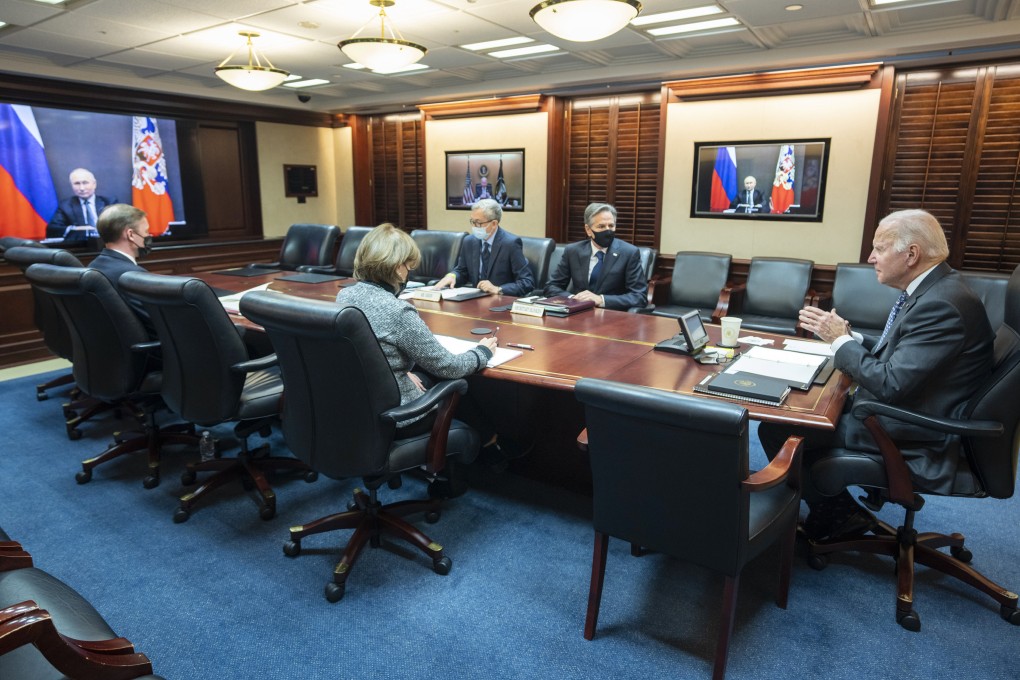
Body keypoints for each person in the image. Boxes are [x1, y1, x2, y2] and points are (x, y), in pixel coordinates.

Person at [758, 209, 995, 541]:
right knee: (799, 415)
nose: (870, 257)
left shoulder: (941, 305)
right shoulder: (939, 290)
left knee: (780, 427)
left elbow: (890, 382)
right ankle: (833, 505)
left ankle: (836, 513)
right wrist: (849, 338)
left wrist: (840, 341)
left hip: (915, 431)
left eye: (880, 248)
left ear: (911, 254)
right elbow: (901, 354)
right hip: (913, 410)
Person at [337, 223, 497, 434]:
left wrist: (393, 372)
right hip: (396, 416)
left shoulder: (345, 296)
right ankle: (488, 445)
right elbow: (449, 367)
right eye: (408, 265)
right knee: (455, 384)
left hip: (356, 403)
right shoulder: (398, 311)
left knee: (425, 375)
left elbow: (364, 351)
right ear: (397, 267)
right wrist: (482, 353)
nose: (410, 270)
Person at [544, 202, 647, 311]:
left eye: (611, 226)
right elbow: (551, 287)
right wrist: (573, 299)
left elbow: (639, 297)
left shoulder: (629, 253)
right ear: (588, 230)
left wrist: (601, 300)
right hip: (579, 314)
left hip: (612, 315)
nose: (608, 231)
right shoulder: (573, 251)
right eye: (601, 226)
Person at [433, 198, 534, 296]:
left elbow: (527, 282)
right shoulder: (469, 241)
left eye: (478, 223)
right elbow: (462, 271)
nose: (474, 227)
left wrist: (498, 289)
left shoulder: (510, 244)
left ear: (494, 224)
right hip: (474, 301)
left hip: (501, 302)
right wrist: (452, 276)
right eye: (472, 222)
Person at [46, 168, 118, 241]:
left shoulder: (109, 202)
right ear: (71, 185)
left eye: (85, 183)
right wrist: (75, 229)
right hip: (79, 247)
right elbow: (52, 229)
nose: (82, 188)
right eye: (77, 183)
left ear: (94, 184)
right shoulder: (65, 206)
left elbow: (119, 226)